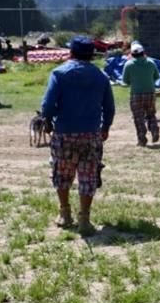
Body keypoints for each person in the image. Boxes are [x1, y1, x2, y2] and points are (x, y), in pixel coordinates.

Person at [40, 36, 115, 234]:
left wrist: (48, 119)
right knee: (88, 175)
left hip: (64, 132)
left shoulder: (59, 73)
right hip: (91, 133)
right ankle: (85, 218)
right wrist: (105, 127)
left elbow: (47, 105)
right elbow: (109, 107)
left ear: (71, 52)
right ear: (91, 54)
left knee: (62, 172)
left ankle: (65, 213)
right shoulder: (101, 76)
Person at [122, 42, 160, 146]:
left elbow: (125, 81)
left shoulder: (128, 65)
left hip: (136, 94)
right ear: (143, 52)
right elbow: (157, 76)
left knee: (138, 117)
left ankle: (142, 139)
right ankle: (154, 130)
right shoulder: (151, 63)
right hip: (150, 93)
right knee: (151, 114)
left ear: (132, 54)